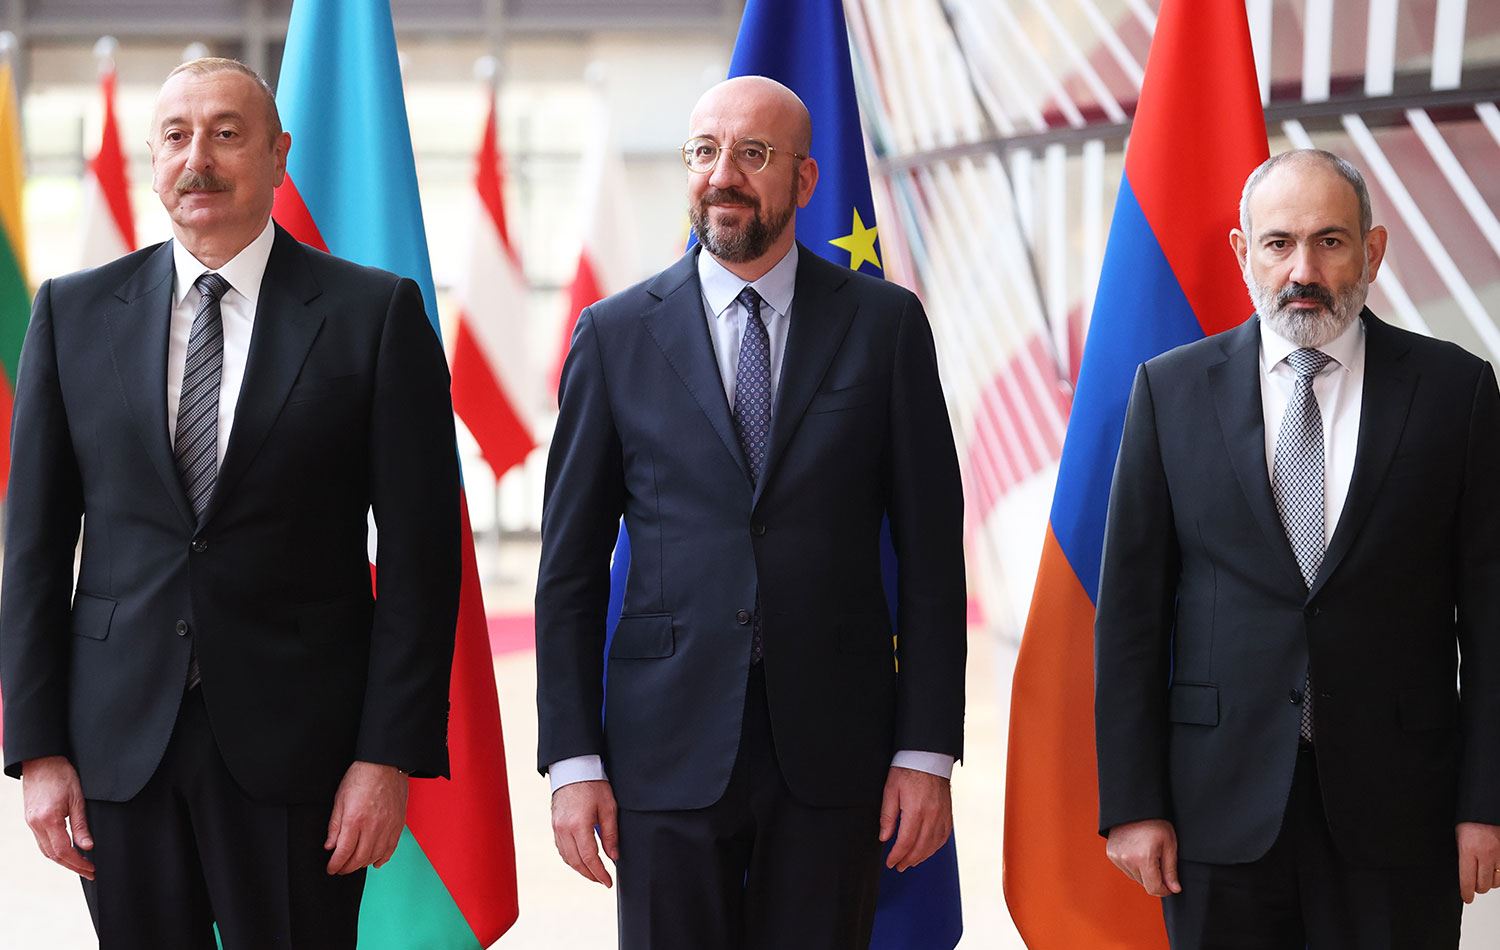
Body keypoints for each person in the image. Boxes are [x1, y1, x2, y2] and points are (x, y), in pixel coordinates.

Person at [0, 58, 460, 948]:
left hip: (303, 751)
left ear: (279, 154)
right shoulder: (72, 314)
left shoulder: (373, 315)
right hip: (117, 750)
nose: (198, 160)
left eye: (226, 134)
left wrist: (386, 755)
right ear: (152, 158)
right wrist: (39, 749)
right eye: (176, 136)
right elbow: (33, 551)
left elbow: (422, 558)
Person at [535, 74, 966, 949]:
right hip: (664, 748)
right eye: (704, 151)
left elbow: (930, 555)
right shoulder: (614, 335)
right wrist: (572, 760)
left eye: (752, 153)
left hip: (835, 747)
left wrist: (925, 752)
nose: (722, 174)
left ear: (804, 179)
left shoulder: (884, 327)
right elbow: (569, 568)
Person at [1094, 148, 1500, 948]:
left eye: (1330, 241)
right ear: (1244, 252)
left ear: (1373, 250)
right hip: (1216, 813)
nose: (1302, 270)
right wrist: (1134, 804)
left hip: (1401, 813)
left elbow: (1491, 620)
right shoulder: (1170, 393)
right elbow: (1131, 618)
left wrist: (1485, 802)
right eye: (1279, 243)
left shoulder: (1457, 393)